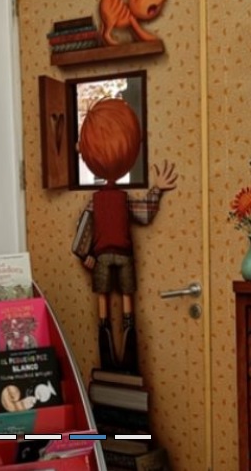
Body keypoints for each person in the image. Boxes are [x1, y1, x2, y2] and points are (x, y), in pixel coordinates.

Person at [74, 98, 177, 373]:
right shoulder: (122, 199)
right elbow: (144, 214)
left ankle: (112, 360)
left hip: (103, 256)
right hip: (122, 255)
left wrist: (84, 254)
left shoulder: (96, 201)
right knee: (125, 303)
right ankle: (124, 360)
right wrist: (156, 190)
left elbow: (83, 231)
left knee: (105, 303)